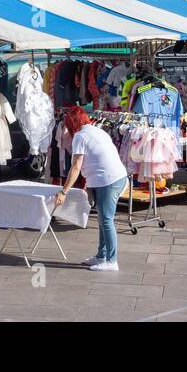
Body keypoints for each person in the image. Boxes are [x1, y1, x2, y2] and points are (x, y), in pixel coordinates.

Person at [54, 105, 128, 271]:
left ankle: (112, 261)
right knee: (103, 219)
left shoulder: (80, 136)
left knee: (106, 220)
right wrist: (89, 187)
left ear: (72, 124)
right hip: (112, 178)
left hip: (109, 180)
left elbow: (76, 166)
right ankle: (102, 256)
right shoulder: (97, 131)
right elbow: (95, 162)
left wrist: (64, 191)